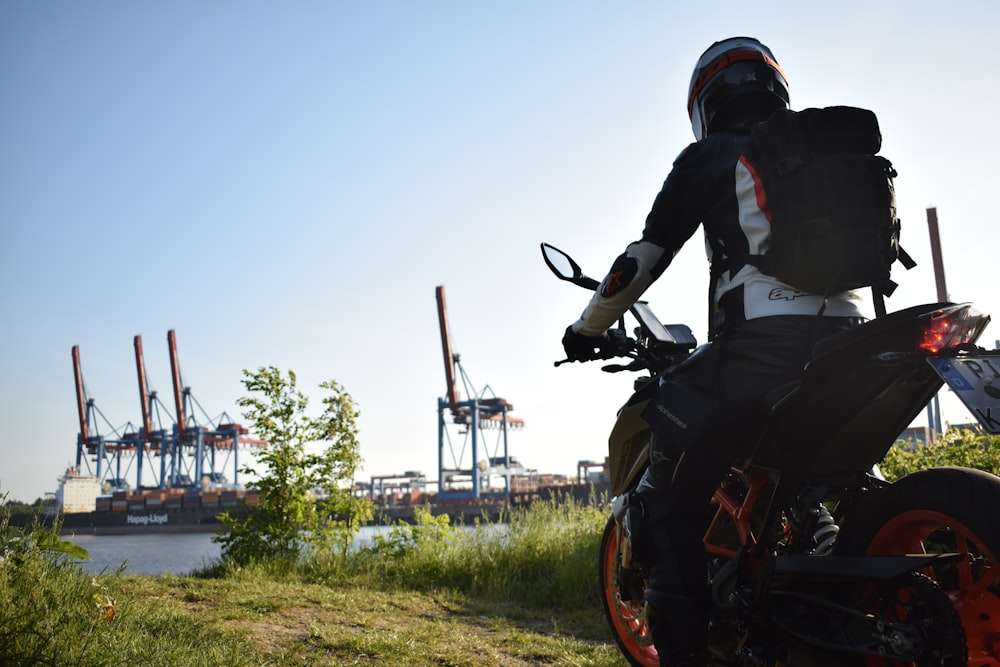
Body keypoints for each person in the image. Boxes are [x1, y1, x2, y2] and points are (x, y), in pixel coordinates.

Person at [560, 37, 865, 667]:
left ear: (706, 102)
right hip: (855, 343)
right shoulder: (823, 151)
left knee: (666, 503)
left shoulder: (713, 156)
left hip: (764, 347)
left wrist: (587, 327)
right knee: (821, 486)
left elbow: (642, 259)